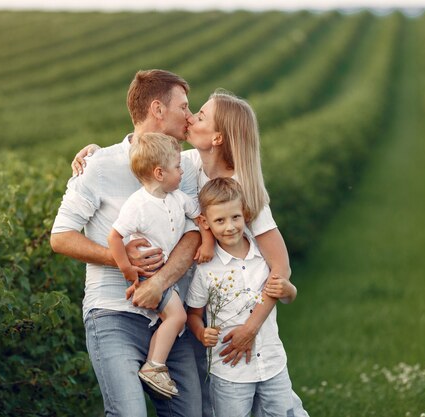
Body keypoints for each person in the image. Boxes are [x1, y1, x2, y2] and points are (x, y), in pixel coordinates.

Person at [70, 87, 300, 415]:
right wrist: (95, 154)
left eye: (200, 115)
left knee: (270, 407)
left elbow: (281, 269)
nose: (190, 117)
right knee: (212, 406)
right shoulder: (187, 166)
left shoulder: (242, 190)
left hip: (238, 320)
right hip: (196, 313)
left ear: (218, 138)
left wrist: (250, 330)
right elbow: (144, 159)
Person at [51, 69, 202, 416]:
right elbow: (60, 236)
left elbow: (193, 233)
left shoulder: (186, 167)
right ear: (157, 109)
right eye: (184, 106)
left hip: (169, 318)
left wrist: (160, 282)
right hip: (112, 314)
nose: (189, 116)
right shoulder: (98, 165)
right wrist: (118, 259)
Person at [186, 177, 309, 417]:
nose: (230, 226)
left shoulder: (263, 257)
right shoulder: (206, 270)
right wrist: (201, 332)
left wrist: (289, 290)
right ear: (205, 222)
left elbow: (288, 295)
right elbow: (193, 314)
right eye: (219, 220)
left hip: (272, 363)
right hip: (231, 371)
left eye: (235, 217)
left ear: (245, 215)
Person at [107, 132, 202, 399]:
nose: (182, 172)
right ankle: (154, 366)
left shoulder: (177, 198)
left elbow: (199, 219)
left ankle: (155, 364)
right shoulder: (137, 205)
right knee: (178, 317)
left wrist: (205, 243)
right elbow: (114, 237)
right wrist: (126, 268)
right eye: (177, 167)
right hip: (149, 274)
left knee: (175, 316)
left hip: (163, 275)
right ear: (160, 173)